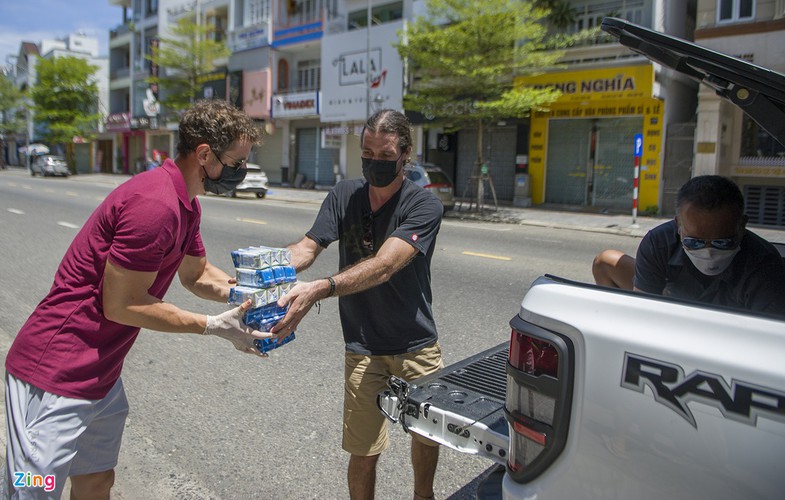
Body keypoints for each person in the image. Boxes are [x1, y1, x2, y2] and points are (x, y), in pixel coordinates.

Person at [4, 99, 272, 499]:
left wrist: (250, 295)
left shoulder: (185, 203)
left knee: (97, 479)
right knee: (34, 487)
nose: (240, 172)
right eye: (235, 163)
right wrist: (214, 326)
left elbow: (197, 274)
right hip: (57, 369)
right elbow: (122, 304)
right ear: (204, 154)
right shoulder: (156, 205)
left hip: (102, 372)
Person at [272, 109, 445, 500]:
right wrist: (262, 268)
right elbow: (306, 248)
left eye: (385, 156)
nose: (374, 163)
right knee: (362, 451)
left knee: (425, 437)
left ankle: (424, 496)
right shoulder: (344, 195)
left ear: (405, 154)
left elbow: (384, 266)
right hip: (363, 346)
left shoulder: (423, 206)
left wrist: (320, 288)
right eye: (367, 153)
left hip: (416, 344)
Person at [592, 175, 785, 315]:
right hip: (671, 316)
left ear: (742, 225)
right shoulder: (659, 243)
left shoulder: (765, 267)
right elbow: (644, 311)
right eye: (694, 242)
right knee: (605, 261)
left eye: (723, 242)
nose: (708, 253)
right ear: (678, 226)